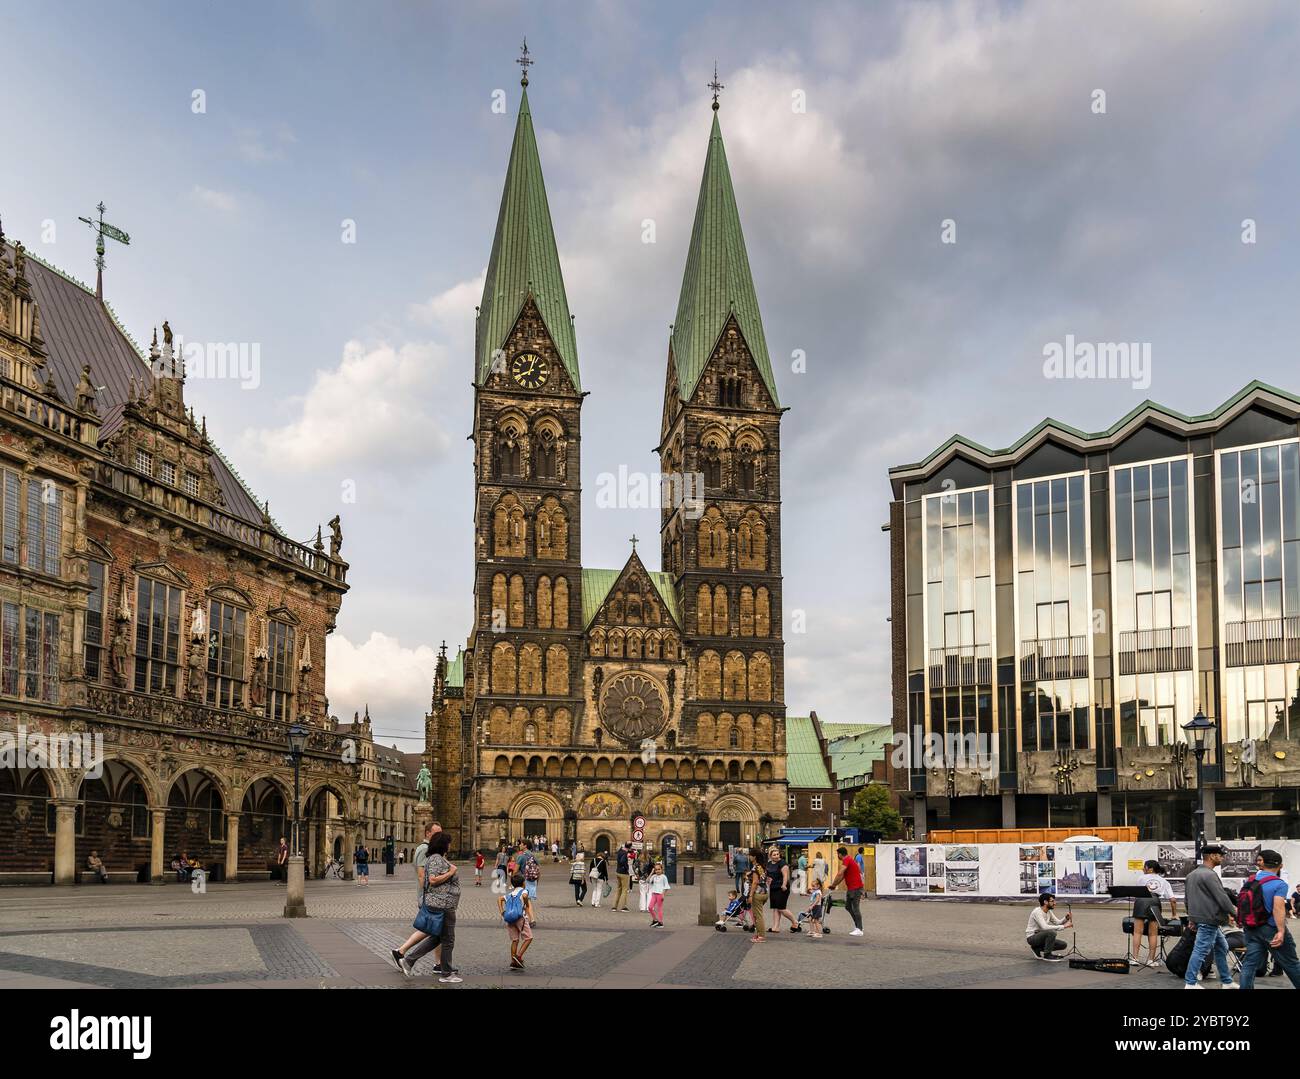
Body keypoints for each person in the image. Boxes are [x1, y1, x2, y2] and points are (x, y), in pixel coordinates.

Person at [391, 832, 461, 983]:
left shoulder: (437, 858)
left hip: (443, 903)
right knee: (448, 940)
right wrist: (451, 872)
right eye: (448, 842)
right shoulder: (436, 858)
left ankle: (408, 961)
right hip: (443, 904)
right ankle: (447, 974)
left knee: (437, 938)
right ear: (442, 844)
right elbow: (433, 879)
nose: (450, 845)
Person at [1239, 848, 1300, 989]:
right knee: (1291, 963)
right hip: (1270, 929)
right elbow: (1278, 908)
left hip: (1251, 928)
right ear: (1280, 865)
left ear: (1263, 864)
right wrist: (1281, 931)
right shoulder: (1279, 884)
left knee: (1249, 964)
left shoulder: (1251, 880)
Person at [1182, 844, 1239, 989]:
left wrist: (1191, 918)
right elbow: (1222, 898)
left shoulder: (1191, 874)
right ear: (1212, 856)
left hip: (1202, 917)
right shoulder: (1210, 874)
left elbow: (1187, 899)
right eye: (1220, 855)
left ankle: (1226, 981)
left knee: (1222, 946)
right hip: (1210, 918)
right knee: (1200, 950)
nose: (1222, 857)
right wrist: (1236, 913)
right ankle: (1190, 983)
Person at [1131, 859, 1178, 967]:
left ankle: (1135, 958)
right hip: (1154, 902)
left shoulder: (1141, 878)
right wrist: (1174, 914)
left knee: (1137, 932)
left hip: (1141, 900)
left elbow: (1136, 893)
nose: (1143, 868)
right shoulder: (1163, 881)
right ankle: (1151, 960)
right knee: (1153, 933)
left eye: (1145, 867)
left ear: (1150, 868)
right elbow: (1173, 900)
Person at [827, 845, 865, 936]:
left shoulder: (846, 860)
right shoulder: (849, 860)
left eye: (837, 854)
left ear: (840, 854)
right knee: (848, 907)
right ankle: (858, 926)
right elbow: (843, 876)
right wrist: (834, 885)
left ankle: (859, 929)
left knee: (855, 908)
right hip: (852, 888)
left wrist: (833, 884)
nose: (837, 856)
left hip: (855, 888)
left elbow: (840, 874)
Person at [500, 872, 535, 970]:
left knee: (515, 940)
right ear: (523, 883)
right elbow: (524, 896)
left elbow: (499, 899)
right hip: (520, 918)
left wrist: (501, 911)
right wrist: (527, 904)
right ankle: (518, 956)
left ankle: (513, 962)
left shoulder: (510, 894)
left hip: (510, 919)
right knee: (528, 938)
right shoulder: (524, 891)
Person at [1025, 893, 1072, 960]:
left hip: (1041, 936)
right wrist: (1064, 926)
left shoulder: (1049, 911)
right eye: (1052, 901)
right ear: (1045, 902)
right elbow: (1045, 927)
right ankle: (1047, 955)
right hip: (1032, 937)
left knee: (1063, 945)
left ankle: (1036, 948)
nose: (1054, 903)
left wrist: (1066, 918)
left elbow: (1057, 922)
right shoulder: (1037, 912)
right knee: (1051, 932)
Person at [766, 847, 798, 933]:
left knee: (781, 908)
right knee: (775, 908)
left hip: (782, 888)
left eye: (777, 854)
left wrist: (784, 885)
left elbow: (785, 876)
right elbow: (768, 875)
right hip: (773, 888)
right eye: (774, 855)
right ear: (770, 856)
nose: (776, 856)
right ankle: (775, 927)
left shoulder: (782, 863)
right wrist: (768, 879)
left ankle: (795, 922)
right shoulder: (769, 863)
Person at [746, 848, 768, 942]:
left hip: (757, 894)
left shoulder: (755, 868)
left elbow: (755, 882)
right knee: (756, 914)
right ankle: (758, 934)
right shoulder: (761, 866)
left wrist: (750, 895)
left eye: (750, 855)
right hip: (764, 892)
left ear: (754, 857)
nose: (749, 857)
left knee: (758, 916)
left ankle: (761, 936)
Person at [647, 861, 670, 927]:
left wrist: (663, 894)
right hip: (654, 894)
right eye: (656, 870)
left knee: (659, 908)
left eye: (659, 869)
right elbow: (648, 881)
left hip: (660, 894)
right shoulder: (654, 876)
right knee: (650, 907)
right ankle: (655, 920)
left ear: (662, 869)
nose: (657, 871)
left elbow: (666, 887)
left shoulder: (664, 877)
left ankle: (660, 922)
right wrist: (651, 873)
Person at [614, 843, 632, 912]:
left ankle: (614, 906)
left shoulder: (620, 851)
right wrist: (626, 867)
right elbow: (622, 861)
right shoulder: (625, 853)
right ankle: (623, 907)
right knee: (624, 890)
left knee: (618, 889)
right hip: (624, 873)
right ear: (629, 847)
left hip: (618, 872)